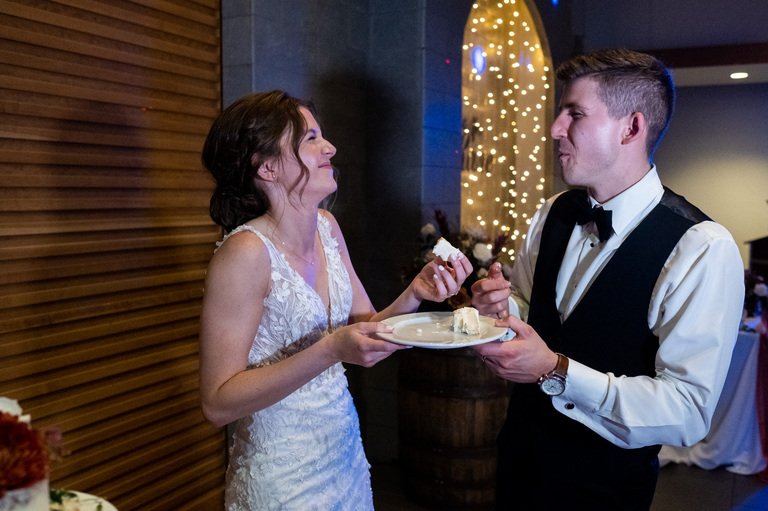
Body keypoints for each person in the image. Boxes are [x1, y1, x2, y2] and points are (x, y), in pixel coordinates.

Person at [471, 48, 744, 509]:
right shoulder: (553, 212)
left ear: (631, 128)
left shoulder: (701, 248)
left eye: (574, 113)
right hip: (517, 464)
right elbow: (529, 303)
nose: (555, 128)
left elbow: (687, 411)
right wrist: (502, 308)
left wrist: (556, 370)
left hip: (604, 491)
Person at [198, 90, 473, 510]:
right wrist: (329, 350)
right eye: (310, 138)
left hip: (343, 453)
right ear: (267, 167)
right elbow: (217, 403)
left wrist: (416, 293)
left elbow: (368, 327)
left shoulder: (326, 226)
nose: (330, 147)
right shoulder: (245, 254)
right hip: (282, 475)